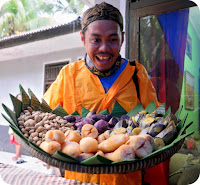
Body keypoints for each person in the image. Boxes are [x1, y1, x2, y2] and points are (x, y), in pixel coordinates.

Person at [43, 2, 168, 185]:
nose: (104, 48)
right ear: (83, 38)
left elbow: (155, 125)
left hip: (128, 178)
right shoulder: (68, 76)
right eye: (96, 40)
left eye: (112, 39)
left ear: (122, 39)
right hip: (80, 179)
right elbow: (45, 118)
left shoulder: (136, 74)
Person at [8, 93, 22, 161]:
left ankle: (17, 155)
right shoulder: (15, 107)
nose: (20, 99)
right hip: (14, 126)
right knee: (16, 141)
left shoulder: (23, 107)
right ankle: (18, 154)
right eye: (18, 97)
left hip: (19, 126)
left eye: (21, 97)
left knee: (18, 141)